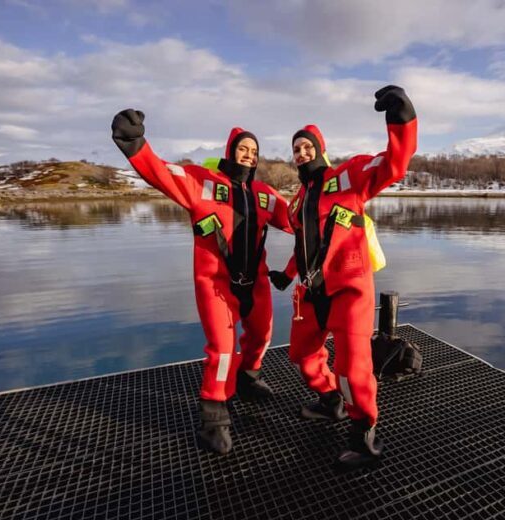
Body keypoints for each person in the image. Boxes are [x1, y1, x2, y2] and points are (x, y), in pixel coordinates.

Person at [112, 109, 291, 455]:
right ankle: (213, 417)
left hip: (255, 283)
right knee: (223, 350)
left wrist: (341, 216)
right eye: (243, 148)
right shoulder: (203, 182)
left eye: (254, 151)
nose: (249, 155)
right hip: (216, 284)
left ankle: (248, 378)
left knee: (262, 336)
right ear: (230, 150)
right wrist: (134, 143)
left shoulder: (265, 194)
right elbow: (161, 172)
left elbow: (298, 220)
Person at [269, 85, 417, 469]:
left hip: (349, 290)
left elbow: (394, 165)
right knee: (302, 355)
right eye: (296, 148)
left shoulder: (348, 177)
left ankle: (364, 435)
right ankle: (331, 402)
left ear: (320, 149)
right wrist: (287, 274)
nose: (301, 153)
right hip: (310, 292)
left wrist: (401, 119)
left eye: (307, 146)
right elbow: (305, 246)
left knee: (352, 369)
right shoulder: (297, 202)